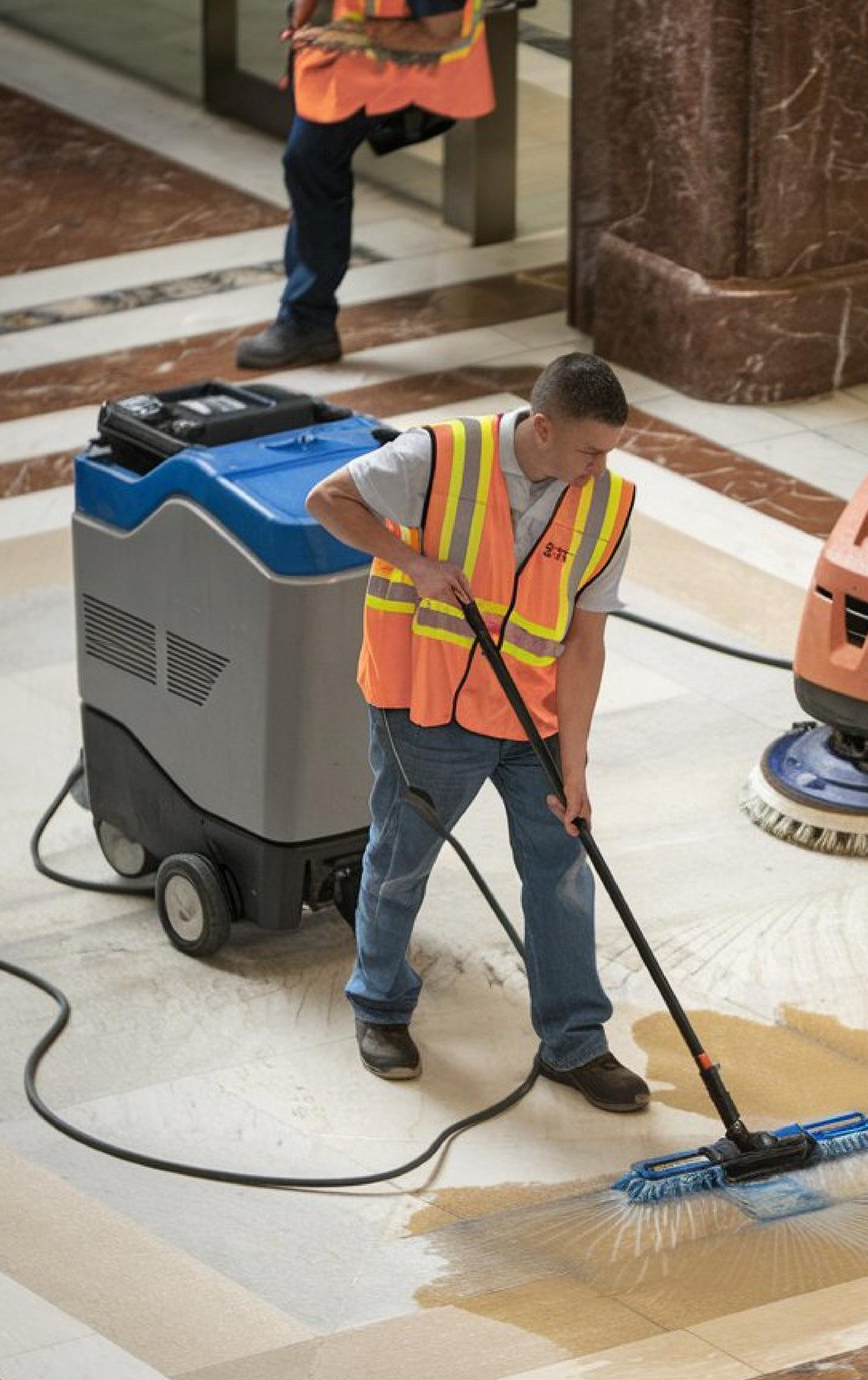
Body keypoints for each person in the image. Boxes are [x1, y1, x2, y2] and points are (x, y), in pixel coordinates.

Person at [305, 352, 650, 1112]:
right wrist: (412, 562)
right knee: (402, 860)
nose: (599, 468)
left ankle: (575, 1043)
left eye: (609, 452)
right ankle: (380, 1006)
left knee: (562, 868)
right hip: (425, 707)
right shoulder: (439, 456)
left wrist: (575, 767)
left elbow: (585, 644)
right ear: (543, 428)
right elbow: (327, 499)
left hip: (531, 718)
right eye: (589, 450)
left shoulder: (610, 504)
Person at [237, 0, 494, 370]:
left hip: (388, 66)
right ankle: (307, 319)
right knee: (309, 167)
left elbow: (445, 29)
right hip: (343, 61)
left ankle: (308, 321)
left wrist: (353, 34)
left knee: (311, 163)